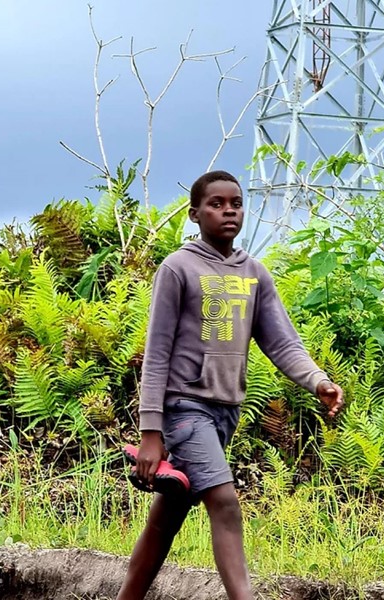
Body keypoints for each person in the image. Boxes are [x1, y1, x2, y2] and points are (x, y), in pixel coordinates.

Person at [116, 170, 344, 600]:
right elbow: (157, 352)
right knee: (224, 502)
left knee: (165, 520)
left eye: (235, 203)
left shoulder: (255, 273)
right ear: (194, 214)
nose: (228, 211)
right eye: (216, 204)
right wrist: (151, 432)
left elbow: (282, 342)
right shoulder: (178, 268)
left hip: (225, 414)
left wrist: (318, 382)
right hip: (184, 409)